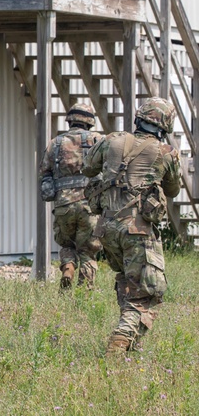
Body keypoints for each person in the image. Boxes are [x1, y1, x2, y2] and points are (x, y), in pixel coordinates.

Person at [83, 97, 181, 355]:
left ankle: (130, 344)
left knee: (127, 280)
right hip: (137, 230)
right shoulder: (165, 152)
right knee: (149, 292)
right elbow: (173, 189)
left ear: (139, 118)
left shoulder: (110, 140)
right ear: (165, 125)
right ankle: (122, 337)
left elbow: (88, 168)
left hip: (107, 228)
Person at [39, 103, 103, 290]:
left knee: (67, 244)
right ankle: (84, 293)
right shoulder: (98, 141)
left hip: (63, 205)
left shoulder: (55, 143)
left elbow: (45, 173)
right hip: (89, 205)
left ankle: (68, 267)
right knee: (88, 251)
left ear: (70, 121)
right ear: (90, 122)